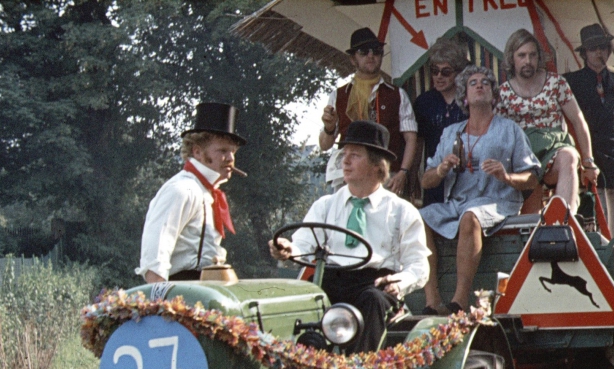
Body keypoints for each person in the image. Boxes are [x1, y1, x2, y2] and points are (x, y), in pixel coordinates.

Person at [269, 122, 430, 352]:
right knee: (301, 298)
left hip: (375, 286)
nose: (345, 162)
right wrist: (287, 249)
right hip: (331, 281)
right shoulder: (325, 205)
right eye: (344, 155)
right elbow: (302, 245)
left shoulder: (401, 211)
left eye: (355, 156)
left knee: (372, 300)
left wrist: (398, 283)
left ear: (377, 165)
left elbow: (418, 266)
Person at [420, 66, 540, 313]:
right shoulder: (451, 132)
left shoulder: (509, 130)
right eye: (473, 82)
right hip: (458, 203)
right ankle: (432, 301)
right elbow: (426, 180)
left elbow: (532, 179)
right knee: (419, 219)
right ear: (465, 96)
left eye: (486, 82)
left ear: (494, 96)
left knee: (471, 217)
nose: (479, 85)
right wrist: (442, 170)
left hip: (499, 201)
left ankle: (460, 300)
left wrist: (505, 175)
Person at [564, 24, 614, 285]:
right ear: (584, 53)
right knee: (592, 231)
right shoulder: (571, 82)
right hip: (589, 166)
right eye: (593, 49)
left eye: (603, 47)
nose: (599, 53)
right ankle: (598, 285)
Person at [138, 102, 245, 283]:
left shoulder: (209, 193)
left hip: (209, 287)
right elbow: (155, 260)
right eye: (223, 151)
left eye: (233, 152)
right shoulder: (182, 190)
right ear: (197, 152)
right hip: (182, 291)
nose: (230, 159)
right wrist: (165, 307)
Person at [496, 29, 598, 215]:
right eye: (522, 55)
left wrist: (589, 162)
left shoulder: (555, 83)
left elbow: (578, 119)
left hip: (554, 150)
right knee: (530, 216)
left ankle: (565, 218)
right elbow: (499, 135)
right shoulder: (503, 93)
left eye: (532, 55)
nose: (528, 61)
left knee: (569, 156)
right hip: (524, 159)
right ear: (512, 59)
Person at [319, 28, 417, 196]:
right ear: (352, 59)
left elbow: (411, 137)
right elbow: (324, 145)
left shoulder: (396, 94)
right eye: (364, 52)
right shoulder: (339, 95)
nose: (371, 56)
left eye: (376, 51)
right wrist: (329, 127)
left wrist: (403, 172)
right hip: (348, 177)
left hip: (385, 175)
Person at [414, 38, 469, 206]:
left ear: (459, 73)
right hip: (435, 176)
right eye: (434, 71)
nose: (438, 77)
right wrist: (413, 178)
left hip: (465, 176)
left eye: (446, 72)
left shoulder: (468, 100)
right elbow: (418, 145)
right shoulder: (424, 102)